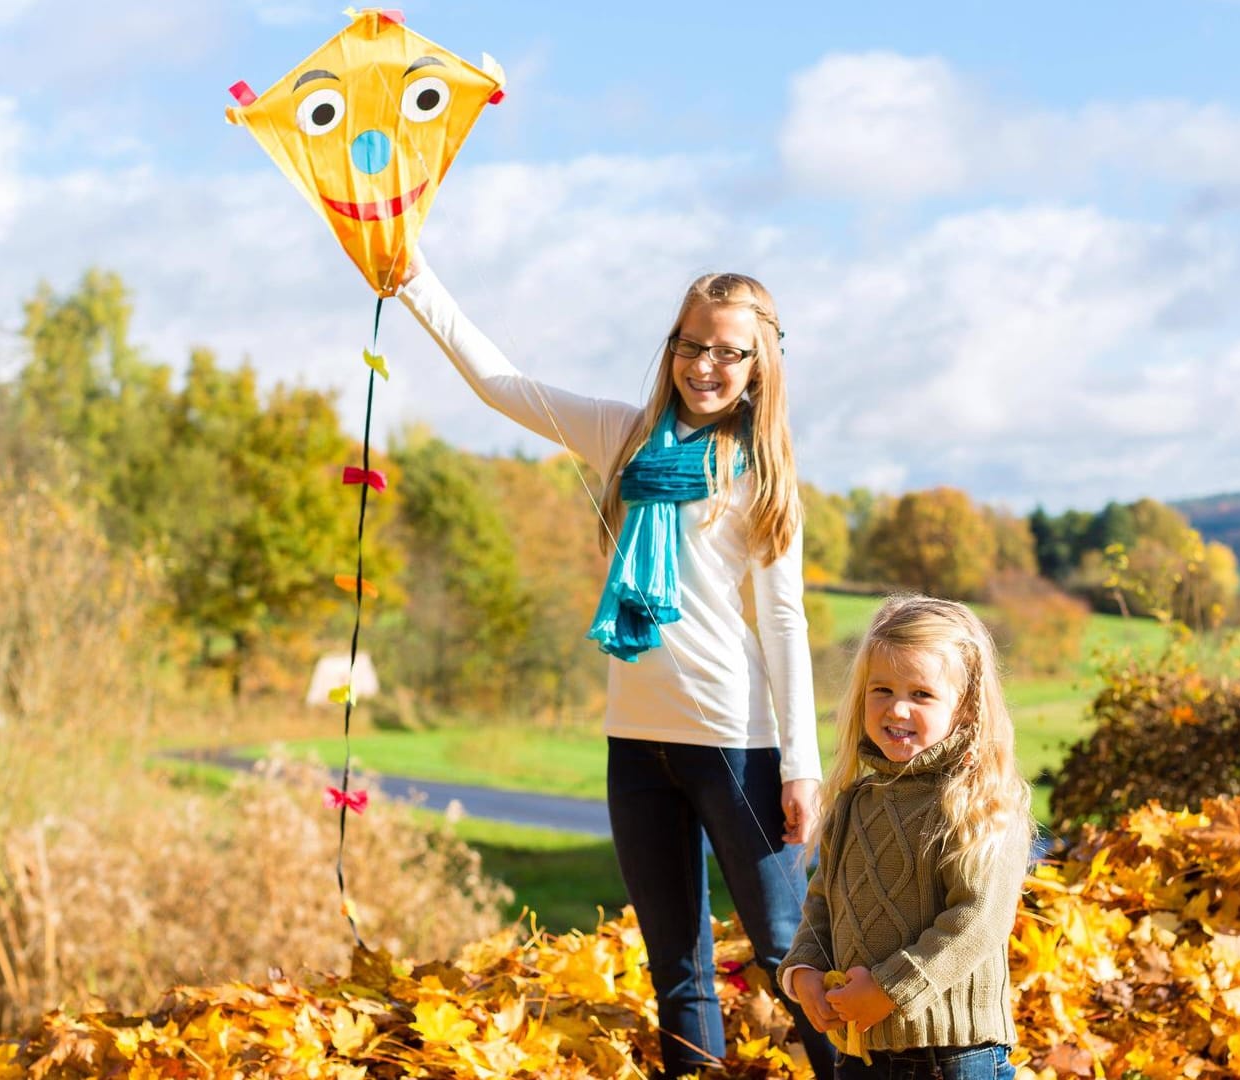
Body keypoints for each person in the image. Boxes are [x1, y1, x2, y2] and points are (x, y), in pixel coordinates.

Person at [396, 255, 835, 1076]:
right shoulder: (623, 436)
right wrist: (413, 278)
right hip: (634, 742)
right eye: (691, 344)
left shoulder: (763, 475)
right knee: (676, 970)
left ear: (760, 365)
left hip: (735, 741)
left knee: (786, 953)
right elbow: (501, 384)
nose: (705, 365)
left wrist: (801, 767)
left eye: (728, 352)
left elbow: (783, 621)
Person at [779, 595, 1031, 1080]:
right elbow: (822, 905)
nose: (896, 707)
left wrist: (888, 989)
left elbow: (977, 922)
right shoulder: (856, 800)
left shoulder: (979, 801)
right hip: (859, 1055)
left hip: (951, 1056)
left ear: (966, 708)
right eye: (881, 689)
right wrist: (803, 972)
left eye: (921, 694)